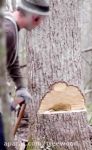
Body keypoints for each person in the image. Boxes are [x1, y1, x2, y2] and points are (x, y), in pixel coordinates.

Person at [0, 0, 49, 149]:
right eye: (41, 20)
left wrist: (20, 86)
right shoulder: (7, 31)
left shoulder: (11, 27)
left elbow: (12, 60)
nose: (40, 24)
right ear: (35, 17)